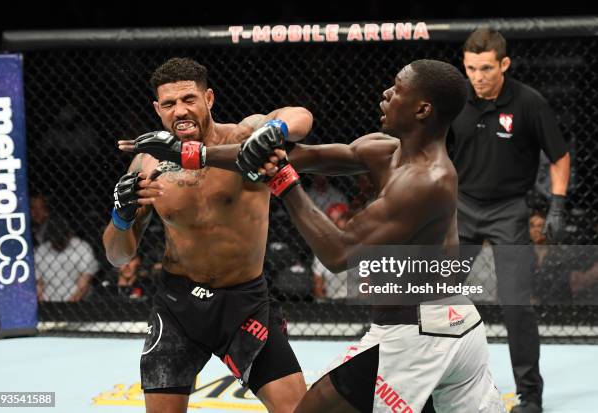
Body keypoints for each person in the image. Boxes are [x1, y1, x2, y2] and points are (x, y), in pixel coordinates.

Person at [124, 59, 505, 413]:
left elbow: (338, 254)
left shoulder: (426, 181)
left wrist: (284, 183)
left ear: (422, 110)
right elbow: (296, 154)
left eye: (397, 90)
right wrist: (192, 154)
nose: (386, 94)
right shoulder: (386, 150)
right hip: (454, 323)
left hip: (416, 333)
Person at [106, 57, 313, 413]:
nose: (180, 110)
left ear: (209, 99)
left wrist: (273, 132)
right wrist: (121, 217)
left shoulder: (244, 138)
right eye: (169, 104)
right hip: (178, 307)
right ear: (157, 109)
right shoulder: (147, 164)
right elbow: (118, 256)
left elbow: (301, 116)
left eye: (189, 99)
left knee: (298, 409)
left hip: (244, 305)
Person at [447, 28, 571, 413]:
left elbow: (560, 156)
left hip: (509, 210)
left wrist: (556, 206)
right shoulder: (455, 101)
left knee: (518, 305)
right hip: (461, 207)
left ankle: (530, 396)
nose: (478, 76)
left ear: (504, 64)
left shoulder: (528, 103)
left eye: (486, 68)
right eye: (471, 68)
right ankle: (430, 381)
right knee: (434, 296)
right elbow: (430, 149)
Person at [35, 214, 99, 302]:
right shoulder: (40, 252)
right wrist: (43, 305)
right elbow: (39, 284)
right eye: (56, 239)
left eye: (62, 238)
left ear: (69, 234)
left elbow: (83, 285)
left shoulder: (82, 248)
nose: (59, 242)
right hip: (47, 301)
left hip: (76, 301)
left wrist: (68, 306)